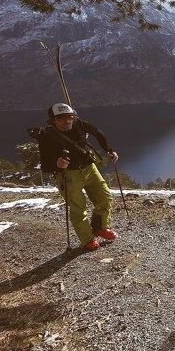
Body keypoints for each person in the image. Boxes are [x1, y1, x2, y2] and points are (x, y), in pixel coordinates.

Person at [38, 103, 119, 251]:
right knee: (78, 208)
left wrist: (108, 149)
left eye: (69, 117)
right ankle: (87, 239)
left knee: (105, 198)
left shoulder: (79, 124)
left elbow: (97, 132)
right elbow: (45, 165)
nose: (67, 121)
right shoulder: (47, 136)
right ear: (52, 120)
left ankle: (99, 228)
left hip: (89, 168)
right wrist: (57, 163)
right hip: (68, 175)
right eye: (61, 118)